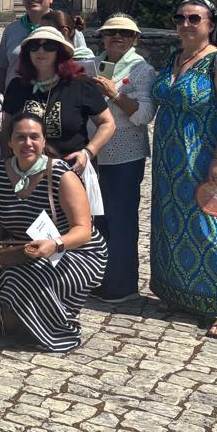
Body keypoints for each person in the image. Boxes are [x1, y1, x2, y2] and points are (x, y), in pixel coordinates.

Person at [150, 0, 217, 337]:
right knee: (174, 222)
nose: (186, 24)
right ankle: (183, 294)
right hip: (170, 159)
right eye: (180, 18)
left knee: (211, 225)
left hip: (206, 157)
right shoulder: (175, 58)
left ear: (210, 24)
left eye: (194, 18)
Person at [0, 112, 106, 353]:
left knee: (21, 279)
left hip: (73, 250)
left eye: (34, 137)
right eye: (20, 137)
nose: (27, 143)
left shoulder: (61, 175)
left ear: (43, 140)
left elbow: (83, 230)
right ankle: (26, 324)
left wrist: (55, 244)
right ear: (9, 142)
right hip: (25, 250)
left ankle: (52, 329)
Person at [1, 26, 114, 222]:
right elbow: (6, 130)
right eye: (34, 46)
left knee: (74, 231)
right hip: (28, 174)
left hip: (71, 172)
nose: (40, 51)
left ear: (60, 52)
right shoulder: (17, 87)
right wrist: (9, 166)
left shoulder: (80, 85)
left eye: (49, 46)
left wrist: (88, 152)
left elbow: (108, 122)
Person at [90, 15, 156, 302]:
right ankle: (98, 278)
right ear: (103, 37)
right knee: (97, 219)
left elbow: (144, 115)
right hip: (94, 152)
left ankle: (122, 285)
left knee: (121, 219)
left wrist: (115, 94)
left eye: (125, 34)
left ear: (134, 39)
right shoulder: (92, 64)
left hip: (125, 154)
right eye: (112, 33)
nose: (118, 38)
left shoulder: (142, 70)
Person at [0, 0, 84, 95]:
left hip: (58, 100)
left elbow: (84, 68)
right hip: (16, 102)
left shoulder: (67, 28)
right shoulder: (11, 30)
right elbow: (3, 70)